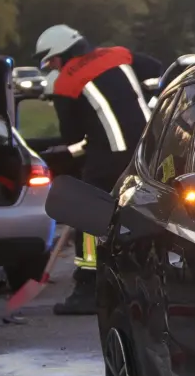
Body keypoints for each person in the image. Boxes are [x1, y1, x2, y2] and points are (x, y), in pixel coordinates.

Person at [34, 24, 153, 316]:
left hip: (108, 159)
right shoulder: (119, 55)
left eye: (51, 61)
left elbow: (72, 137)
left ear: (62, 53)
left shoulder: (65, 83)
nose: (52, 67)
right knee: (146, 216)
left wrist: (70, 156)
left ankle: (88, 288)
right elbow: (156, 68)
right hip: (148, 151)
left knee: (86, 217)